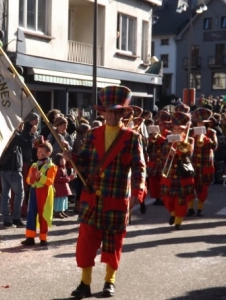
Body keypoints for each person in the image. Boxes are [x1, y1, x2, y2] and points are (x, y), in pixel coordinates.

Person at [65, 86, 146, 298]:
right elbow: (82, 162)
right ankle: (84, 283)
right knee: (86, 244)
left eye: (116, 112)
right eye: (108, 111)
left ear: (123, 114)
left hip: (117, 199)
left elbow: (139, 168)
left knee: (113, 243)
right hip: (92, 199)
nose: (111, 115)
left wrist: (138, 194)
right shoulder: (92, 135)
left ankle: (109, 282)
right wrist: (71, 156)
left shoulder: (132, 137)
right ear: (103, 113)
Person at [160, 111, 195, 230]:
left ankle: (178, 221)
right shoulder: (167, 140)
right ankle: (173, 213)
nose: (177, 131)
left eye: (180, 129)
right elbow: (163, 155)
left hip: (182, 174)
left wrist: (179, 152)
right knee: (166, 198)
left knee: (181, 200)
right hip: (169, 174)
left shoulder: (189, 140)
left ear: (184, 129)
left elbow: (189, 154)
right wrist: (169, 154)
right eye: (175, 128)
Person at [21, 139, 57, 246]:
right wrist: (31, 178)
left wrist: (41, 177)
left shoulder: (52, 166)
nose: (39, 154)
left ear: (48, 153)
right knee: (31, 213)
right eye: (38, 152)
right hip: (34, 191)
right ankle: (30, 237)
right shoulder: (34, 165)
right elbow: (28, 180)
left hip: (45, 192)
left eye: (42, 152)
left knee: (44, 214)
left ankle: (43, 238)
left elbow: (50, 181)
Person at [0, 123, 31, 228]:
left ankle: (6, 220)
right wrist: (33, 135)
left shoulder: (4, 134)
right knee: (19, 193)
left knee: (5, 195)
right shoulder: (15, 136)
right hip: (13, 169)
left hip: (3, 168)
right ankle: (16, 218)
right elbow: (28, 145)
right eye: (21, 124)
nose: (22, 126)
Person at [188, 108, 217, 217]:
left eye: (202, 122)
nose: (200, 124)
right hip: (192, 164)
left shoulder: (211, 132)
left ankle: (200, 209)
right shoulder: (191, 131)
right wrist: (193, 138)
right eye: (198, 122)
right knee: (190, 187)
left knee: (203, 189)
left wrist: (205, 139)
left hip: (206, 165)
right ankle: (190, 208)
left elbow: (215, 146)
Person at [53, 153, 76, 218]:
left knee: (63, 199)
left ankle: (61, 211)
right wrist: (68, 178)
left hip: (63, 186)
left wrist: (70, 177)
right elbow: (57, 178)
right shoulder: (57, 168)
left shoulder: (64, 168)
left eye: (63, 159)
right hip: (59, 187)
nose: (63, 160)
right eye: (61, 159)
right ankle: (57, 211)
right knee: (59, 200)